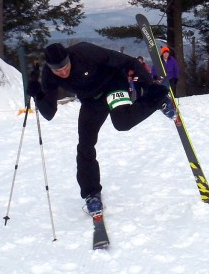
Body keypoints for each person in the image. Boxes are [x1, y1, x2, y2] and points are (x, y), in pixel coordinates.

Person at [26, 42, 174, 215]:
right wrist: (37, 95)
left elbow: (129, 62)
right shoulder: (48, 75)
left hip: (113, 85)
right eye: (58, 71)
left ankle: (159, 100)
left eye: (66, 67)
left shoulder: (84, 52)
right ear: (51, 68)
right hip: (91, 100)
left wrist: (151, 87)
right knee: (85, 145)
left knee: (122, 122)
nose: (64, 72)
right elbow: (49, 113)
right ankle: (92, 194)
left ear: (69, 58)